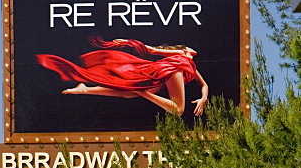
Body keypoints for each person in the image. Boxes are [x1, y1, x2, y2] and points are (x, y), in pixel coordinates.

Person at [36, 37, 209, 117]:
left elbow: (203, 85)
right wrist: (128, 42)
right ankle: (143, 93)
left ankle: (85, 89)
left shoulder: (189, 65)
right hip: (170, 70)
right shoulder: (183, 55)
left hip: (163, 72)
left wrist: (203, 98)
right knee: (178, 110)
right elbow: (154, 50)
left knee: (128, 93)